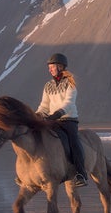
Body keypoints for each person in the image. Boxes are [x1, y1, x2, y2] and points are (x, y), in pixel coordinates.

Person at [37, 53, 88, 187]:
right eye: (49, 67)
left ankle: (81, 174)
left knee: (74, 142)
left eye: (52, 67)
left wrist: (57, 114)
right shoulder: (48, 85)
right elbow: (44, 105)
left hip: (68, 120)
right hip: (53, 121)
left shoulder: (70, 83)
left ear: (60, 67)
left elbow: (69, 103)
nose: (50, 69)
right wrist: (37, 115)